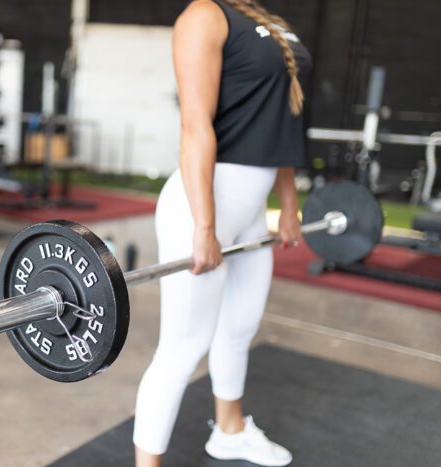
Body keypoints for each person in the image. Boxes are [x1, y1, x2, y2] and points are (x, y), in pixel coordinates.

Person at [133, 1, 311, 466]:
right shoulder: (204, 15)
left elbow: (280, 121)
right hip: (203, 203)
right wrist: (205, 226)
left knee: (239, 328)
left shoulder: (264, 19)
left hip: (251, 208)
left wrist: (288, 203)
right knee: (182, 347)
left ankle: (229, 431)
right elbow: (195, 126)